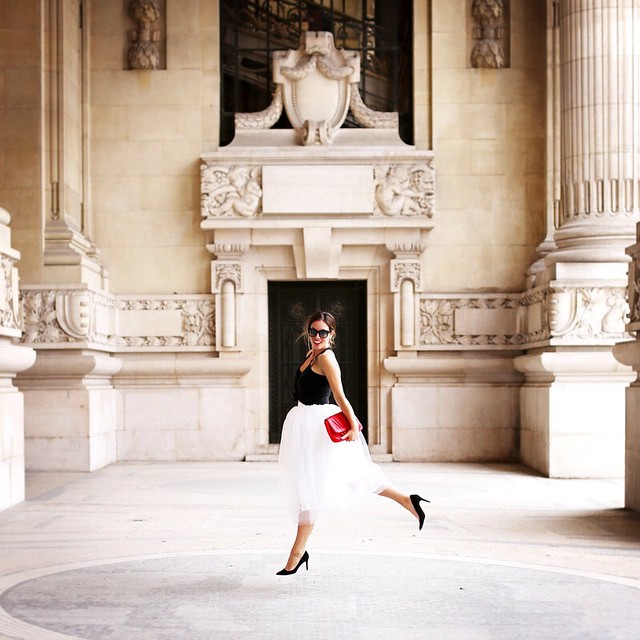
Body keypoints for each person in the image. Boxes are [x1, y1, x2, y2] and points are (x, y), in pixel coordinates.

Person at [276, 310, 430, 576]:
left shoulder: (327, 358)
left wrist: (353, 426)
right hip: (304, 425)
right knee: (338, 479)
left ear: (331, 334)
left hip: (317, 427)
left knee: (315, 487)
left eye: (323, 332)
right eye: (313, 331)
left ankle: (297, 553)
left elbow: (339, 395)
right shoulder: (312, 354)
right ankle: (407, 500)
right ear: (307, 331)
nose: (317, 336)